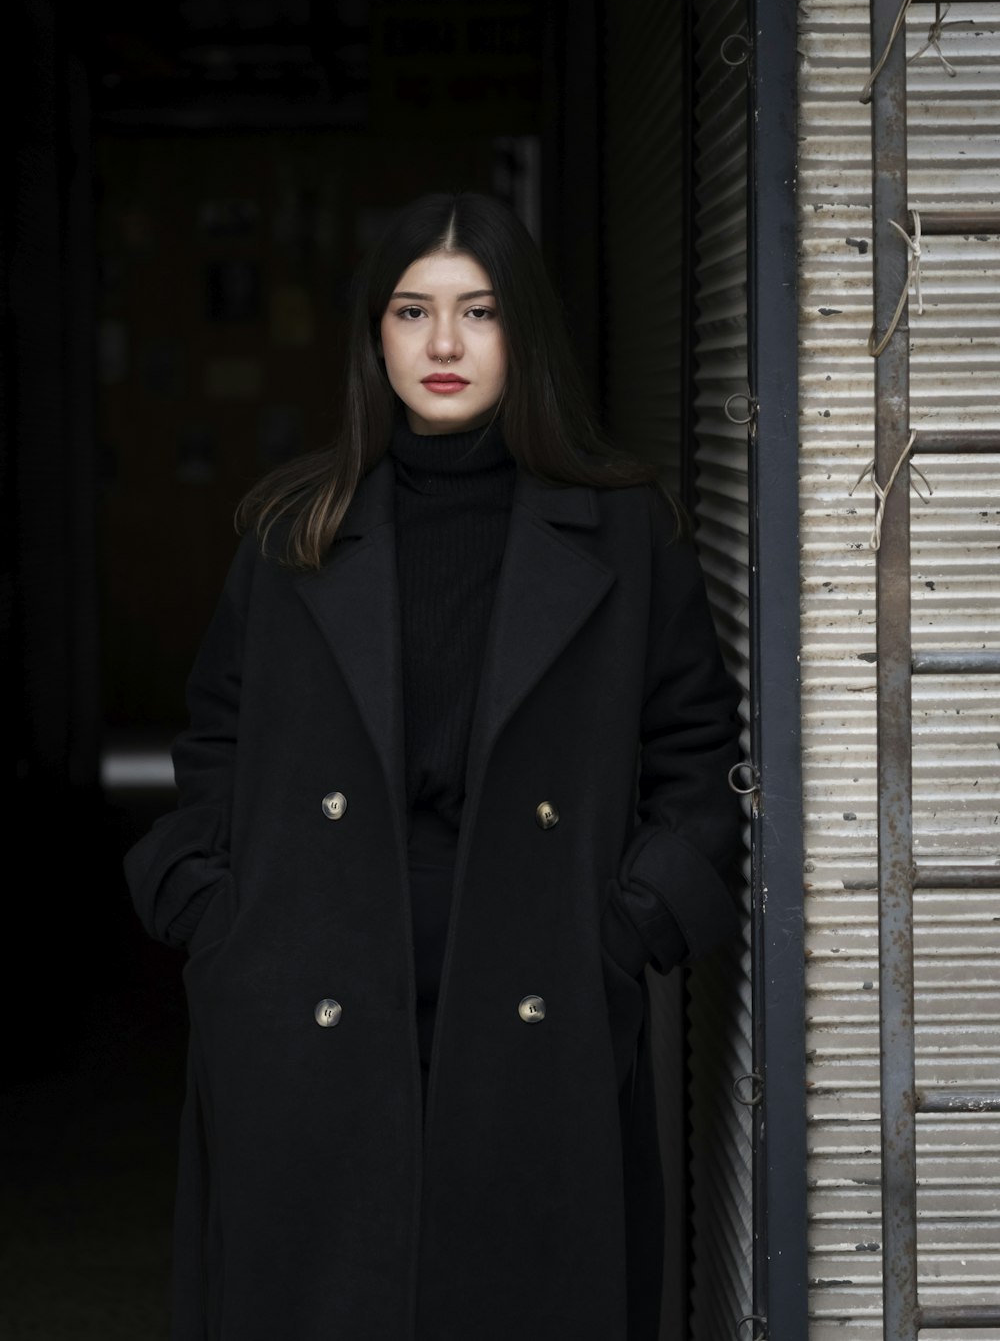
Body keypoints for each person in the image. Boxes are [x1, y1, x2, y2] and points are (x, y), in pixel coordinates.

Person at [124, 191, 743, 1341]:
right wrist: (220, 913)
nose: (444, 345)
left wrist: (631, 924)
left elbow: (698, 751)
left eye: (479, 312)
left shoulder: (619, 531)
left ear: (527, 337)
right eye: (413, 311)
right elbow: (215, 744)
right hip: (308, 986)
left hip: (539, 983)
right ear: (376, 337)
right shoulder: (293, 530)